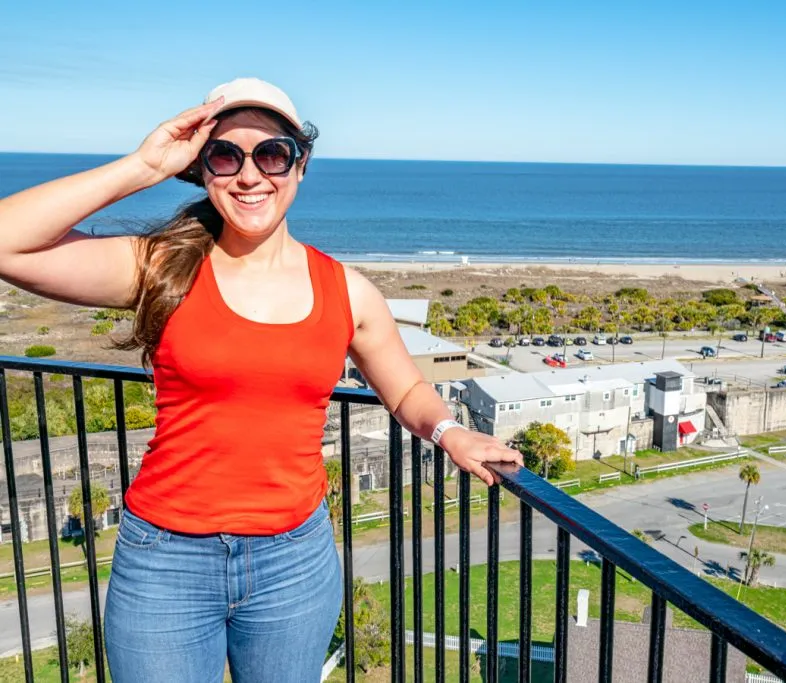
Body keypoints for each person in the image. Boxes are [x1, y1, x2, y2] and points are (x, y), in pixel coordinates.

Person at [0, 78, 522, 682]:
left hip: (293, 563)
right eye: (226, 155)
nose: (250, 175)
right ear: (202, 170)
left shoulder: (345, 290)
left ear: (300, 166)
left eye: (272, 153)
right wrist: (143, 166)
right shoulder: (158, 267)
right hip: (166, 561)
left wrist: (451, 432)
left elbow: (405, 390)